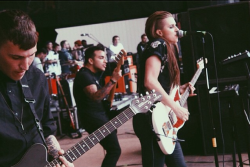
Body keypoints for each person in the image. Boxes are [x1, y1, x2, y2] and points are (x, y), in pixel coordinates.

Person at [0, 9, 73, 167]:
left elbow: (46, 126)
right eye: (16, 57)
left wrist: (57, 155)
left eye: (31, 55)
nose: (25, 66)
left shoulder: (37, 78)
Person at [133, 11, 196, 167]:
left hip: (161, 119)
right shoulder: (158, 44)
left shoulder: (168, 47)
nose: (177, 29)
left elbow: (160, 84)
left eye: (176, 25)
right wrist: (176, 107)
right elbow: (150, 81)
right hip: (150, 119)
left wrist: (180, 90)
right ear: (159, 32)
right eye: (171, 26)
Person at [73, 46, 122, 167]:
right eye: (101, 58)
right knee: (114, 150)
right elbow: (96, 97)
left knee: (113, 149)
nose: (105, 61)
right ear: (90, 60)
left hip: (99, 116)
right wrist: (112, 81)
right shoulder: (84, 75)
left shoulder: (92, 74)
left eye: (105, 58)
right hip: (93, 119)